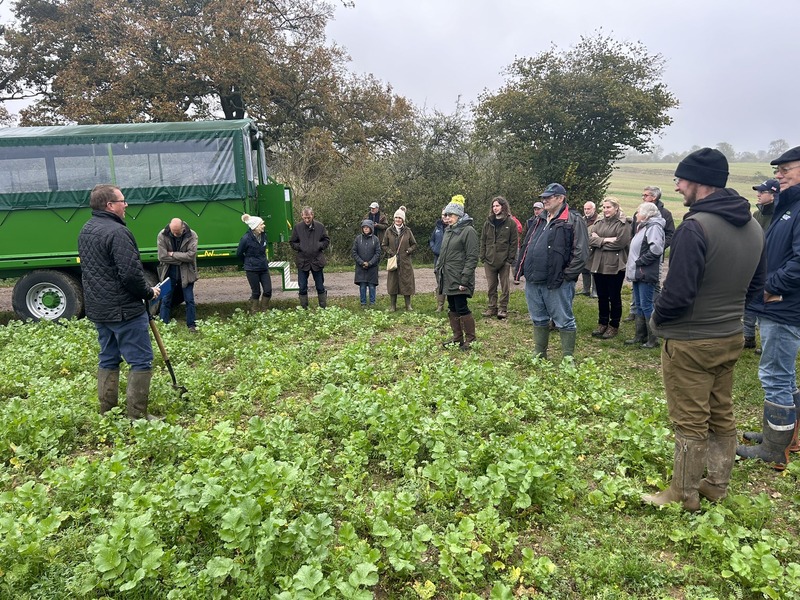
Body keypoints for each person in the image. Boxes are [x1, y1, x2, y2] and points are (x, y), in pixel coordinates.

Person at [642, 148, 764, 511]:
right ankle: (717, 485)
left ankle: (683, 493)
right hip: (730, 335)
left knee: (690, 420)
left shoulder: (695, 227)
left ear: (699, 182)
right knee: (721, 411)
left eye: (680, 180)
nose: (677, 187)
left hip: (691, 341)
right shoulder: (754, 227)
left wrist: (657, 320)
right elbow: (758, 285)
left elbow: (678, 293)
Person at [737, 150, 800, 469]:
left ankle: (775, 450)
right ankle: (787, 437)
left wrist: (768, 286)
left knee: (775, 375)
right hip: (779, 305)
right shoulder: (788, 207)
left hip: (784, 306)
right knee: (784, 376)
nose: (779, 175)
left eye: (786, 169)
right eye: (777, 170)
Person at [77, 184, 161, 420]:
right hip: (124, 310)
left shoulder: (86, 229)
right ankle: (137, 417)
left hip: (99, 309)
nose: (126, 205)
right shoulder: (118, 233)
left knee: (108, 358)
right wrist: (148, 292)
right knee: (141, 361)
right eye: (122, 201)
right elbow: (131, 275)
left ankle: (109, 414)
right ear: (110, 205)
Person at [514, 183, 588, 360]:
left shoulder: (573, 220)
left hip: (558, 282)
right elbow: (527, 245)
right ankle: (540, 353)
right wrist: (522, 269)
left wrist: (566, 276)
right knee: (538, 318)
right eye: (543, 197)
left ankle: (567, 359)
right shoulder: (539, 219)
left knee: (564, 320)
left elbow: (581, 253)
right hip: (534, 279)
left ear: (561, 198)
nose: (544, 200)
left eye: (548, 197)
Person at [625, 186, 676, 321]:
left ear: (654, 197)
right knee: (638, 296)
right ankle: (636, 316)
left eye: (646, 195)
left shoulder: (663, 215)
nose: (643, 197)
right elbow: (634, 232)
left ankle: (655, 322)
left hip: (648, 264)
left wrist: (649, 254)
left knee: (650, 296)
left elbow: (668, 236)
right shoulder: (641, 213)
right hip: (639, 262)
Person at [437, 195, 479, 349]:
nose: (447, 218)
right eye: (446, 215)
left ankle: (471, 339)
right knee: (452, 307)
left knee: (461, 307)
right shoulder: (449, 231)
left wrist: (465, 279)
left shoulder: (468, 231)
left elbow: (472, 257)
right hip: (448, 276)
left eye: (451, 215)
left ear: (459, 215)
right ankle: (457, 338)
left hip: (460, 277)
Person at [743, 178, 779, 353]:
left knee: (769, 304)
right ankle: (748, 337)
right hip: (755, 263)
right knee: (750, 299)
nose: (758, 194)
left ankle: (767, 344)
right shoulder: (757, 214)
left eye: (762, 192)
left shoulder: (780, 215)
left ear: (773, 195)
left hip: (773, 266)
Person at [587, 197, 631, 339]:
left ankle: (614, 325)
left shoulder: (623, 223)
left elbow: (620, 243)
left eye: (608, 207)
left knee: (614, 296)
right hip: (598, 264)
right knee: (602, 296)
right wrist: (606, 240)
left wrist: (598, 241)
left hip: (615, 265)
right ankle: (602, 323)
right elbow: (589, 239)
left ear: (616, 208)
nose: (605, 210)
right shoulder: (599, 222)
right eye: (604, 207)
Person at [624, 202, 665, 348]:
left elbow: (656, 249)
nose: (636, 214)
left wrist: (640, 262)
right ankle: (640, 336)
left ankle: (653, 339)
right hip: (638, 272)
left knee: (647, 305)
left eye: (639, 211)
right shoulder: (643, 226)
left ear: (647, 214)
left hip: (645, 272)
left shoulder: (654, 227)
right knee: (639, 305)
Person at [479, 196, 518, 319]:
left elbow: (514, 243)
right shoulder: (488, 223)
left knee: (505, 286)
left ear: (503, 206)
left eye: (497, 206)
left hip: (504, 260)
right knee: (491, 286)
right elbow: (483, 240)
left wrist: (509, 260)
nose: (495, 208)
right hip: (489, 260)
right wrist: (483, 256)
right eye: (493, 206)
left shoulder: (511, 223)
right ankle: (492, 307)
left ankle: (503, 308)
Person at [157, 218, 198, 330]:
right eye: (173, 232)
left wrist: (172, 254)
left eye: (177, 232)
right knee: (166, 299)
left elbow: (191, 256)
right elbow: (162, 257)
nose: (175, 234)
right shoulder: (162, 235)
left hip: (187, 272)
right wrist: (181, 259)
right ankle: (163, 326)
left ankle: (191, 325)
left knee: (189, 300)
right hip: (169, 272)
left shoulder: (192, 235)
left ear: (183, 228)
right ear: (170, 228)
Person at [290, 206, 330, 309]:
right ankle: (304, 308)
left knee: (320, 286)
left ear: (312, 215)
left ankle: (323, 307)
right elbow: (292, 242)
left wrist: (319, 245)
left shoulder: (320, 226)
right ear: (302, 216)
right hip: (303, 261)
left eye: (308, 217)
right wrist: (300, 246)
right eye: (305, 218)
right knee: (302, 286)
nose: (307, 220)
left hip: (317, 260)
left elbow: (326, 240)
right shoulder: (298, 227)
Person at [382, 205, 417, 311]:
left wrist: (409, 251)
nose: (398, 219)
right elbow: (384, 245)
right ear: (394, 219)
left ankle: (408, 305)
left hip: (405, 261)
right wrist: (390, 252)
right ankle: (393, 305)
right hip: (393, 261)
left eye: (400, 218)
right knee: (393, 283)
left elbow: (414, 244)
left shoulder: (407, 231)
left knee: (407, 282)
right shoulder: (388, 231)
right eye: (396, 217)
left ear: (403, 220)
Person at [237, 214, 272, 312]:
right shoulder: (245, 239)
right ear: (255, 227)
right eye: (261, 224)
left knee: (268, 291)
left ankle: (264, 311)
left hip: (263, 268)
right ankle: (254, 312)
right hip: (252, 269)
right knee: (256, 292)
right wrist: (247, 262)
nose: (264, 226)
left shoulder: (264, 236)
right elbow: (239, 253)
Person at [352, 219, 381, 307]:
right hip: (361, 267)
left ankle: (372, 303)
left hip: (372, 267)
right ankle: (363, 303)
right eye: (364, 227)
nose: (366, 229)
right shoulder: (358, 239)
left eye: (367, 227)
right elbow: (354, 252)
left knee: (372, 286)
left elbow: (378, 253)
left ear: (371, 228)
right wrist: (361, 262)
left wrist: (370, 263)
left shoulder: (375, 239)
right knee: (362, 286)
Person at [581, 201, 599, 297]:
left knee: (594, 270)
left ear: (594, 209)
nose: (586, 211)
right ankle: (585, 290)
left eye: (588, 209)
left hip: (595, 249)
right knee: (584, 269)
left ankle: (595, 291)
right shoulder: (582, 219)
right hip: (584, 248)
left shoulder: (599, 220)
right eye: (585, 209)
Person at [429, 213, 447, 311]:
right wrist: (434, 248)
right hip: (437, 259)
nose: (445, 216)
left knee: (450, 283)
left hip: (449, 259)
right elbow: (431, 240)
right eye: (443, 214)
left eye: (447, 214)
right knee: (440, 282)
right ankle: (440, 305)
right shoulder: (437, 228)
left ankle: (451, 306)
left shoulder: (453, 228)